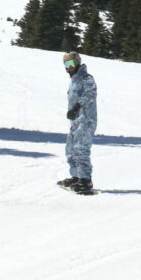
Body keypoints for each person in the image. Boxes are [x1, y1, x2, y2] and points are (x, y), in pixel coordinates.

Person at [56, 51, 97, 192]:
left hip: (86, 120)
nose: (68, 67)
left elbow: (91, 94)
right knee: (70, 149)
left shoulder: (86, 78)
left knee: (81, 149)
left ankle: (85, 180)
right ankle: (76, 177)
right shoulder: (73, 80)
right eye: (66, 64)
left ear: (78, 63)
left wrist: (77, 106)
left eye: (71, 63)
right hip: (76, 121)